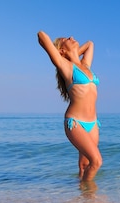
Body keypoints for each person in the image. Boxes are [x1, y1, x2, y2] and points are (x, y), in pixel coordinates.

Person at [37, 31, 102, 182]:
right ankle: (89, 196)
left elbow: (90, 44)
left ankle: (79, 202)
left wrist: (72, 52)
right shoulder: (66, 67)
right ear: (61, 50)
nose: (72, 37)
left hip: (93, 123)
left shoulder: (85, 65)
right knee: (96, 161)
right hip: (75, 122)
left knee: (84, 165)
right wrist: (61, 56)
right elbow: (41, 36)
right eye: (66, 39)